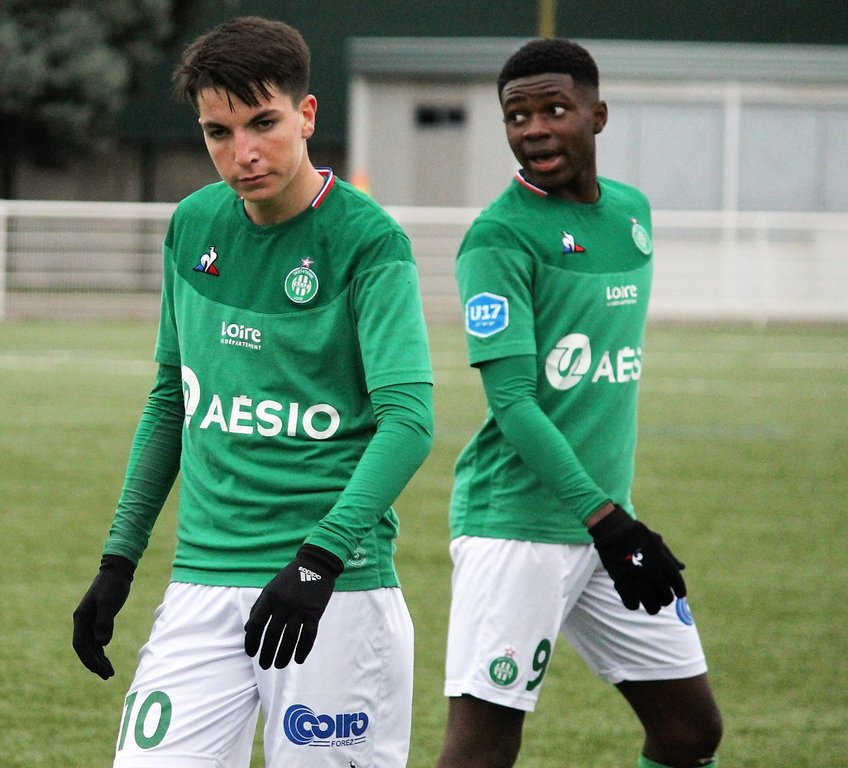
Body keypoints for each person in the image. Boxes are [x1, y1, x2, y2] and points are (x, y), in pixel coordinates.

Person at [72, 16, 434, 768]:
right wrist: (118, 561)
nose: (243, 153)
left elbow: (410, 421)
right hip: (202, 588)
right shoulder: (194, 225)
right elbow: (173, 400)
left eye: (263, 123)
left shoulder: (370, 243)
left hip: (332, 590)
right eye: (218, 131)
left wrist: (319, 559)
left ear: (306, 115)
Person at [434, 38, 723, 768]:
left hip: (603, 524)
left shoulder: (632, 215)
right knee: (481, 752)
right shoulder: (498, 239)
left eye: (554, 109)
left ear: (598, 116)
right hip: (519, 529)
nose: (533, 129)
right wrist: (610, 523)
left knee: (690, 732)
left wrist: (608, 523)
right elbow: (514, 402)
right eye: (516, 116)